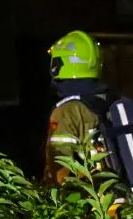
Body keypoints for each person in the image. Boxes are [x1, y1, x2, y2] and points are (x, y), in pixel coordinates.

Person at [42, 30, 111, 186]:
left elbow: (60, 171)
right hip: (126, 197)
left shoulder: (66, 112)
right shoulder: (114, 101)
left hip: (95, 203)